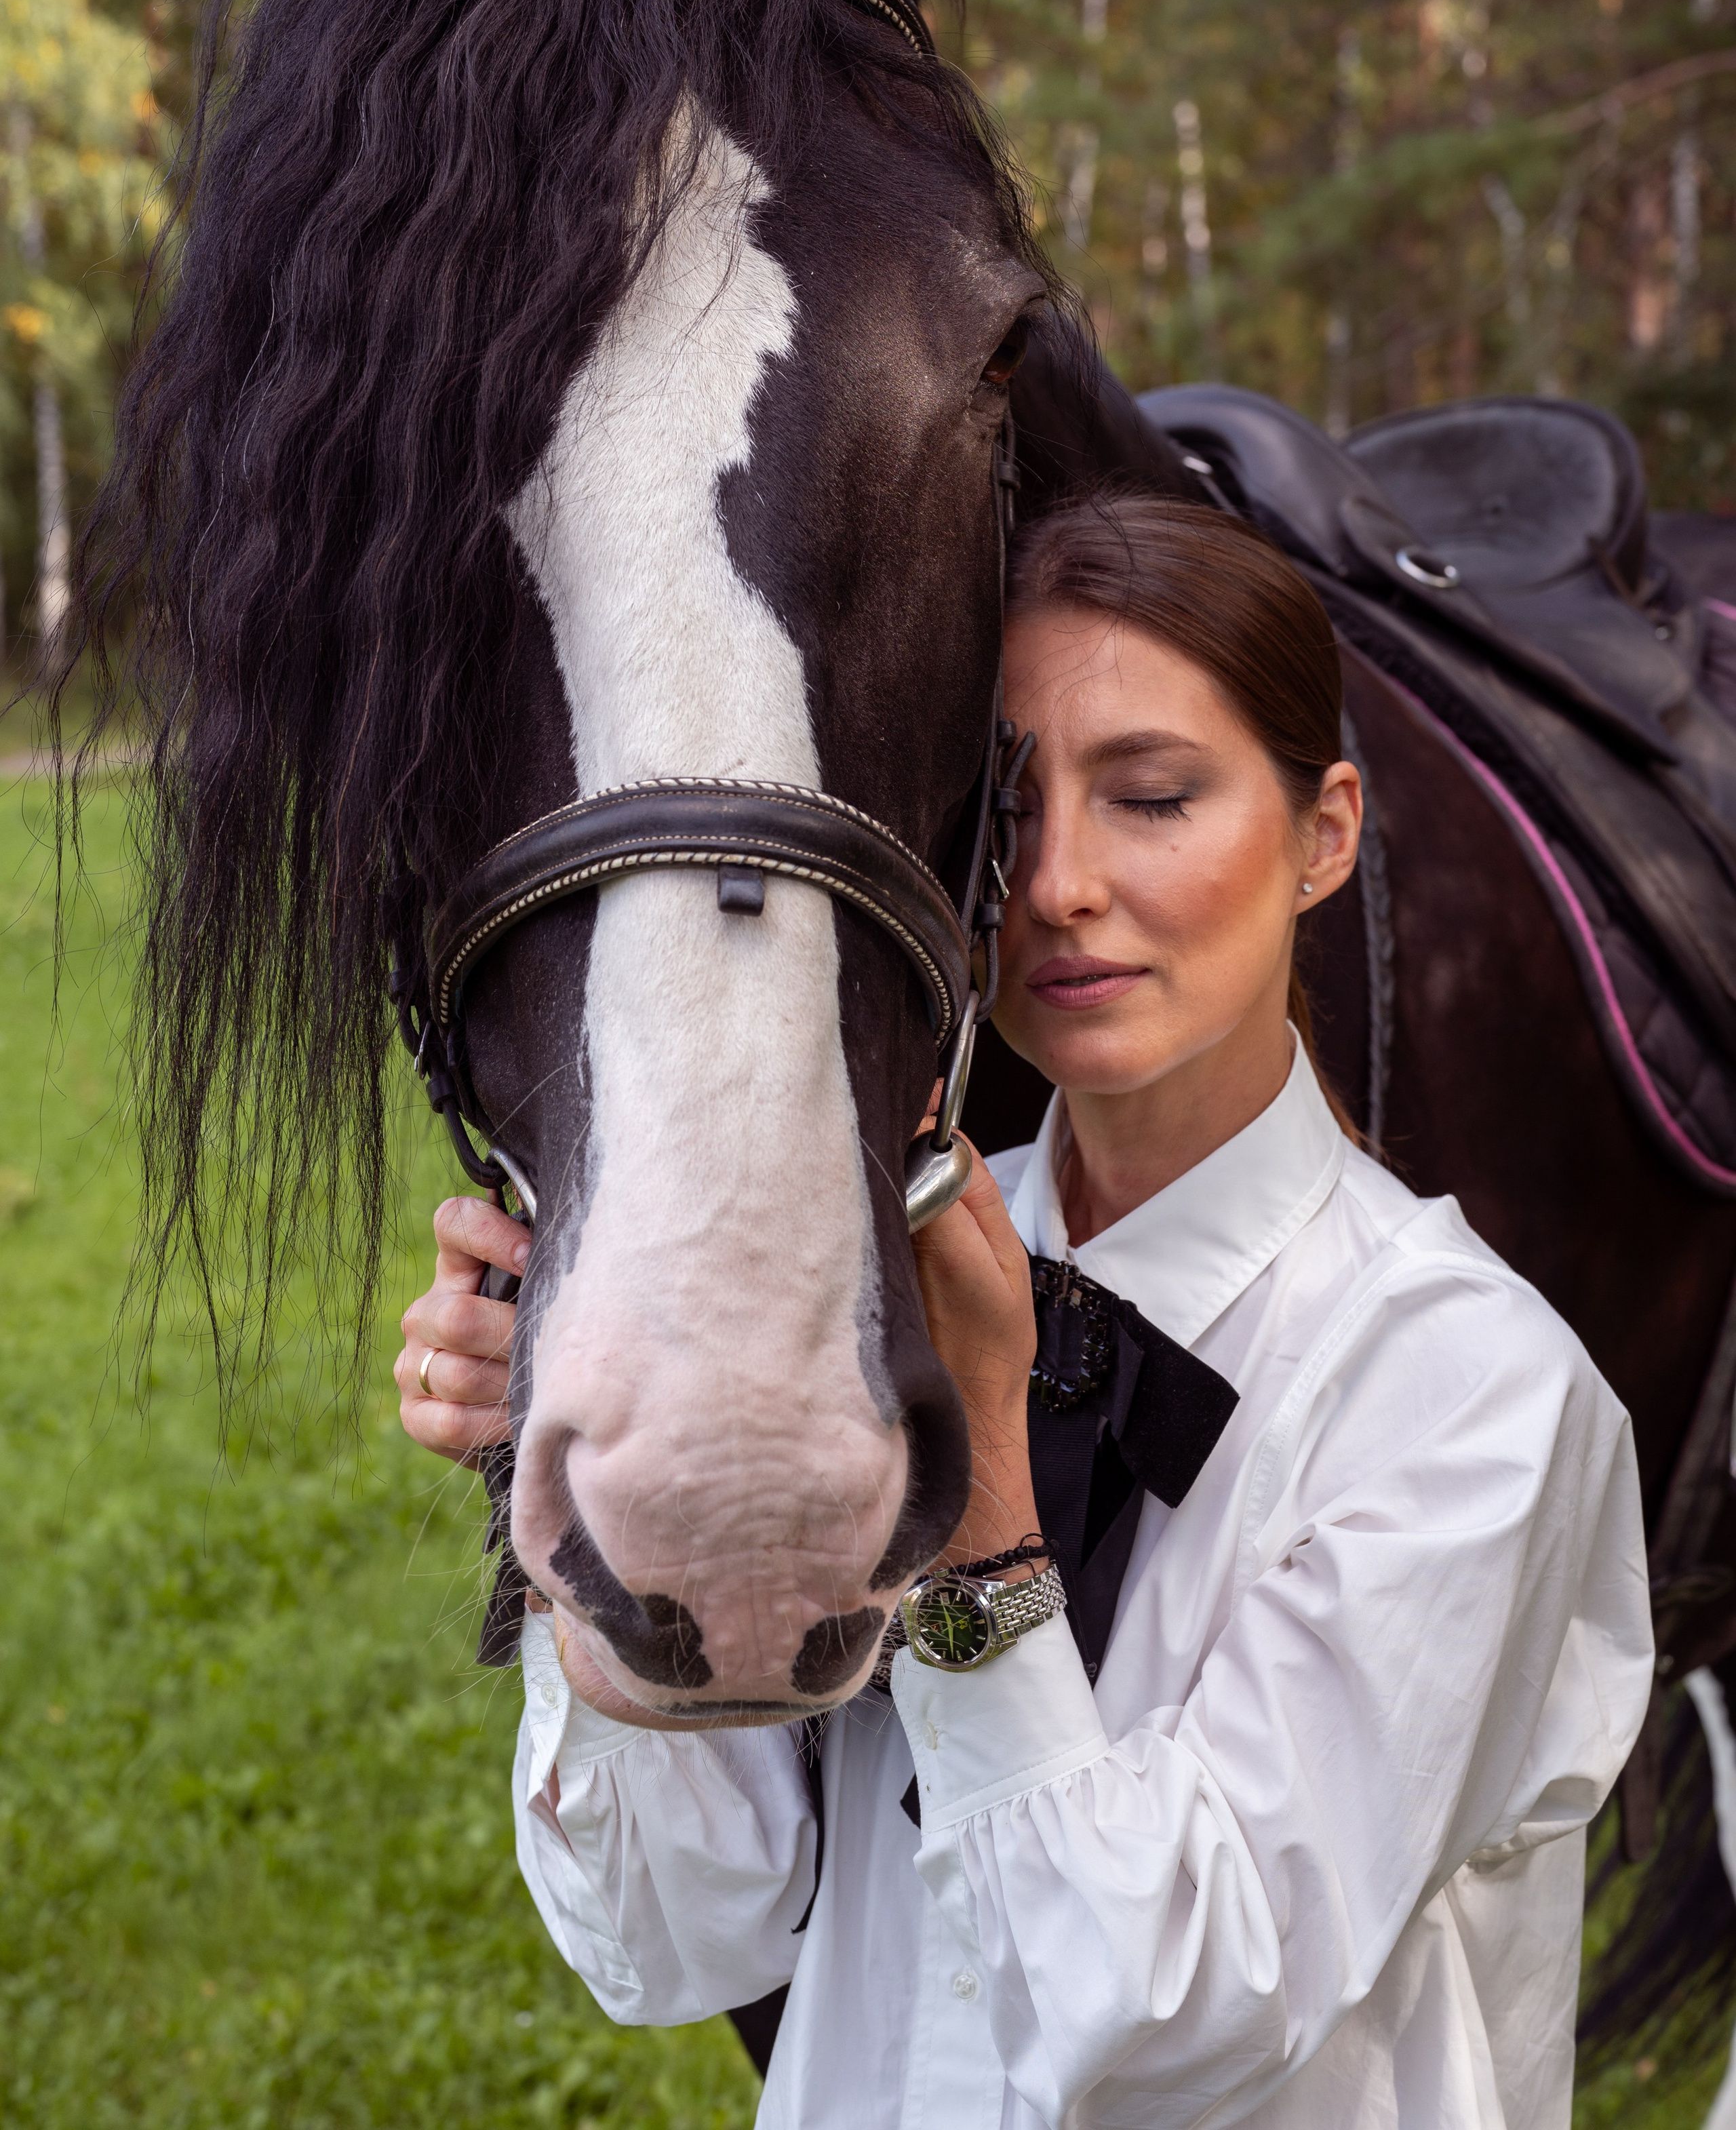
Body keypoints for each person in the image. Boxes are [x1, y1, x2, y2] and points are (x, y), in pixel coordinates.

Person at [397, 493, 1651, 2129]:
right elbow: (671, 1936)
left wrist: (979, 1491)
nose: (1056, 884)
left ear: (1324, 832)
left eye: (1148, 797)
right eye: (1003, 810)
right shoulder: (869, 1275)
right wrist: (581, 1508)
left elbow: (1168, 2027)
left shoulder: (1473, 1393)